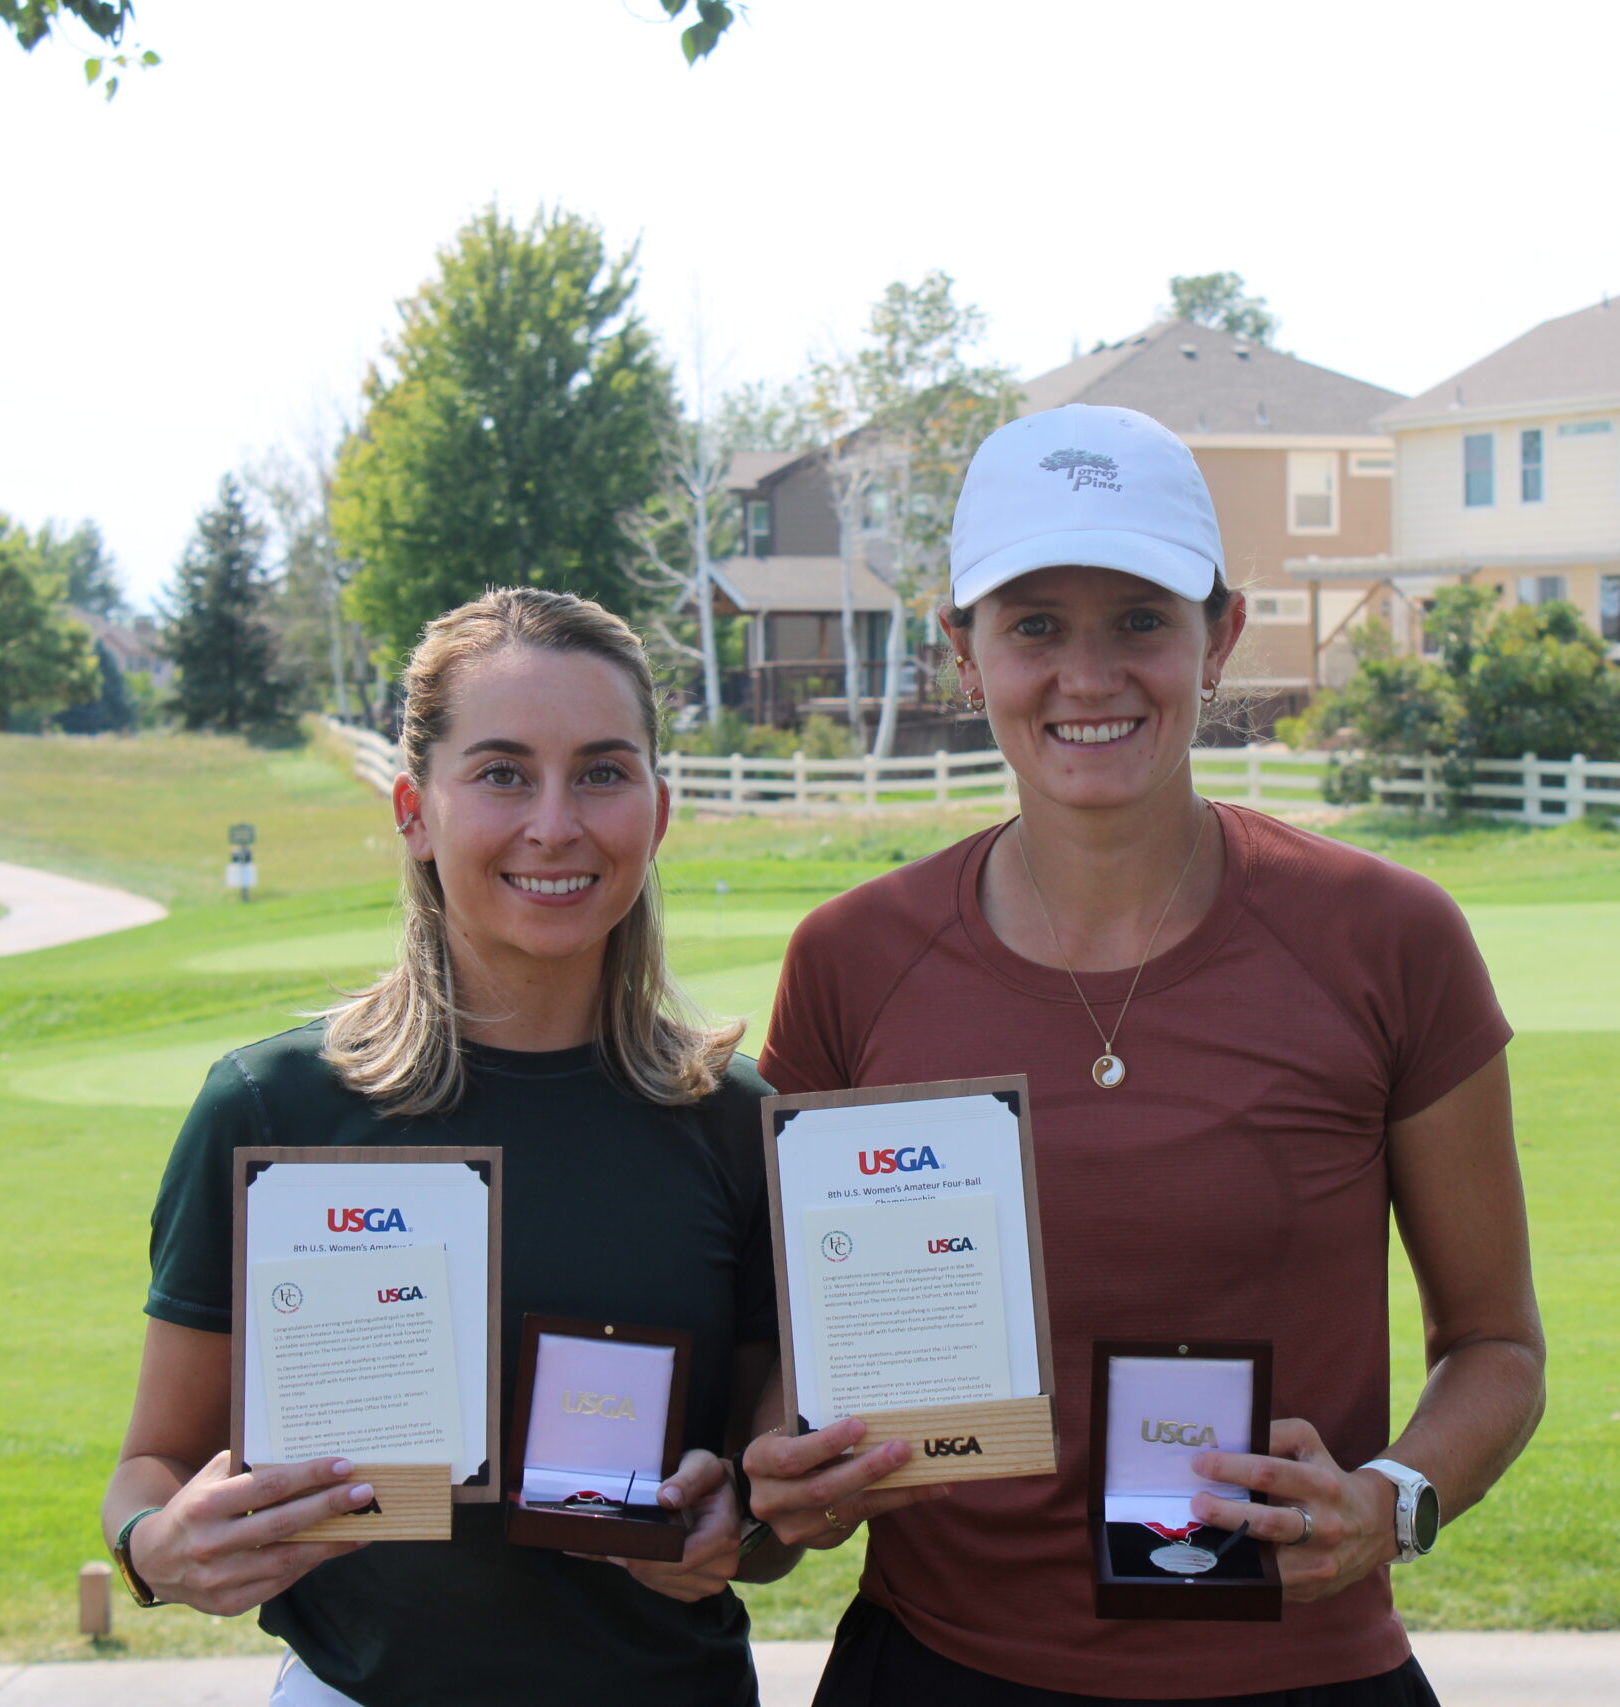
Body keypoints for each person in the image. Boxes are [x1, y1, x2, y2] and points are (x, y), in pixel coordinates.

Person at [743, 404, 1545, 1706]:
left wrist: (1390, 1502)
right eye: (1035, 624)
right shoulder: (850, 959)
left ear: (1219, 635)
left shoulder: (1392, 938)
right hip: (940, 1670)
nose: (1089, 674)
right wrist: (788, 1462)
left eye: (1139, 620)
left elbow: (1498, 1343)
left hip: (1298, 1673)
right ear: (963, 650)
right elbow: (792, 1355)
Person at [101, 589, 794, 1707]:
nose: (555, 823)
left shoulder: (736, 1122)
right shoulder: (271, 1111)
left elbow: (768, 1520)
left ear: (658, 812)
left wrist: (741, 1530)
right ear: (416, 810)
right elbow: (152, 1467)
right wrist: (153, 1547)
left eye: (603, 772)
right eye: (504, 772)